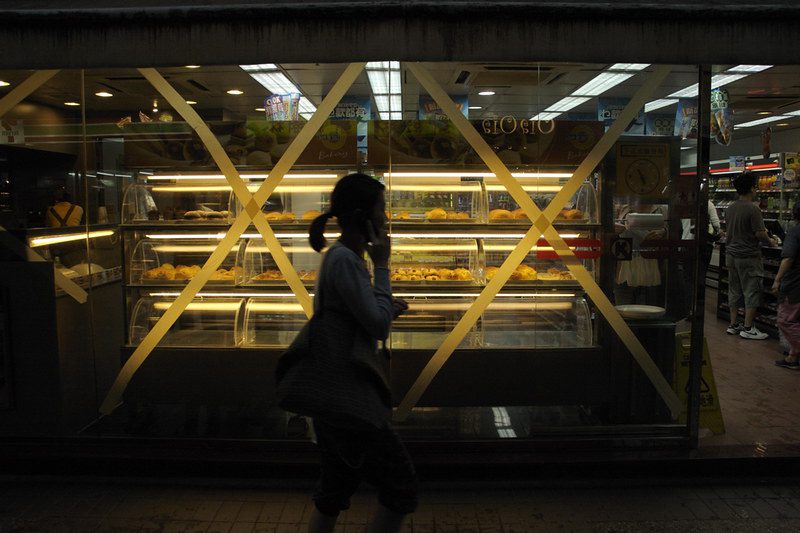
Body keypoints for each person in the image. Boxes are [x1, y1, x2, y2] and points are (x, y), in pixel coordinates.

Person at [306, 173, 417, 533]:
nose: (386, 217)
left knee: (334, 490)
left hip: (333, 394)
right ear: (364, 216)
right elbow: (378, 326)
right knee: (401, 486)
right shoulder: (346, 261)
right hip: (349, 397)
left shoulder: (341, 257)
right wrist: (383, 266)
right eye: (382, 209)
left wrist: (381, 302)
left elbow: (362, 313)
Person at [725, 171, 780, 340]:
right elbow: (760, 234)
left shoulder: (730, 208)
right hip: (748, 256)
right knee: (751, 290)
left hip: (731, 255)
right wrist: (772, 241)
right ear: (751, 188)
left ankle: (733, 324)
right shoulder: (753, 208)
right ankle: (748, 327)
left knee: (734, 289)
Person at [771, 203, 800, 369]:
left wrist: (777, 279)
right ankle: (792, 358)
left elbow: (788, 258)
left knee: (785, 320)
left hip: (795, 283)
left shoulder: (795, 231)